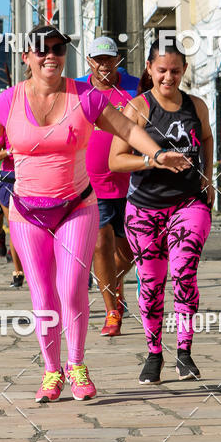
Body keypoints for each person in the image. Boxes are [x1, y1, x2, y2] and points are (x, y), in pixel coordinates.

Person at [0, 25, 188, 404]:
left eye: (58, 49)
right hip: (27, 213)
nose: (50, 56)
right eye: (41, 49)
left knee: (73, 287)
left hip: (77, 207)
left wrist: (156, 156)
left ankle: (76, 365)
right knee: (42, 297)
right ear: (26, 56)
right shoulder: (8, 101)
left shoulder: (85, 97)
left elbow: (127, 127)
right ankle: (51, 371)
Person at [110, 38, 215, 384]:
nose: (168, 77)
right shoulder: (137, 108)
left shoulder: (196, 106)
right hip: (144, 210)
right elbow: (116, 160)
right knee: (152, 284)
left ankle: (184, 352)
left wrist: (208, 178)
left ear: (184, 70)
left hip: (189, 204)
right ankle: (154, 353)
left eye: (175, 70)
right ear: (150, 71)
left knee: (185, 272)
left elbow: (208, 139)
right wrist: (153, 158)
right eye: (161, 70)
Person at [76, 36, 139, 336]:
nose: (103, 64)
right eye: (97, 59)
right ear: (88, 60)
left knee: (132, 251)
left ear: (117, 60)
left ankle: (113, 287)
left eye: (108, 58)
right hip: (92, 183)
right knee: (101, 245)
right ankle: (112, 311)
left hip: (133, 182)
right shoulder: (75, 90)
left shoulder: (136, 87)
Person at [0, 132, 25, 287]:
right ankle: (18, 272)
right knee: (14, 227)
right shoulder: (5, 129)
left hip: (34, 178)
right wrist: (9, 151)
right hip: (8, 180)